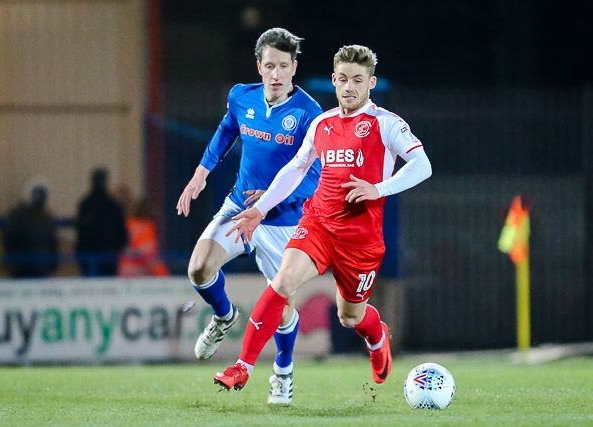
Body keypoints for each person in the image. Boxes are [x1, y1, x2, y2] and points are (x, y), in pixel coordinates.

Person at [214, 45, 432, 393]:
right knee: (283, 282)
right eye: (343, 79)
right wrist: (261, 208)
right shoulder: (322, 123)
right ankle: (243, 366)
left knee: (350, 317)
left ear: (371, 83)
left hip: (359, 240)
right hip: (317, 223)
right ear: (333, 80)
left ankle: (376, 338)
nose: (349, 87)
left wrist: (379, 189)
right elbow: (296, 168)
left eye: (358, 80)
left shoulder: (387, 124)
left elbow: (423, 166)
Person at [176, 27, 322, 405]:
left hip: (283, 221)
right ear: (259, 66)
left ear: (294, 67)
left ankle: (284, 372)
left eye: (283, 66)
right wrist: (201, 172)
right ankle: (224, 317)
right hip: (240, 207)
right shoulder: (242, 97)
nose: (276, 74)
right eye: (269, 65)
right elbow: (226, 131)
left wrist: (272, 200)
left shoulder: (309, 113)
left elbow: (316, 177)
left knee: (283, 306)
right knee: (199, 269)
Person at [76, 167, 128, 276]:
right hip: (106, 258)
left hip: (96, 257)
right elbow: (122, 235)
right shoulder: (112, 206)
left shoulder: (86, 205)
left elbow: (81, 231)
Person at [2, 178, 59, 278]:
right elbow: (9, 239)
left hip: (39, 267)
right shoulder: (18, 216)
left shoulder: (47, 219)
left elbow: (52, 242)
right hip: (23, 267)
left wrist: (53, 264)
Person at [118, 197, 169, 277]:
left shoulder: (128, 223)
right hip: (140, 267)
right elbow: (148, 250)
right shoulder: (149, 226)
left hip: (127, 267)